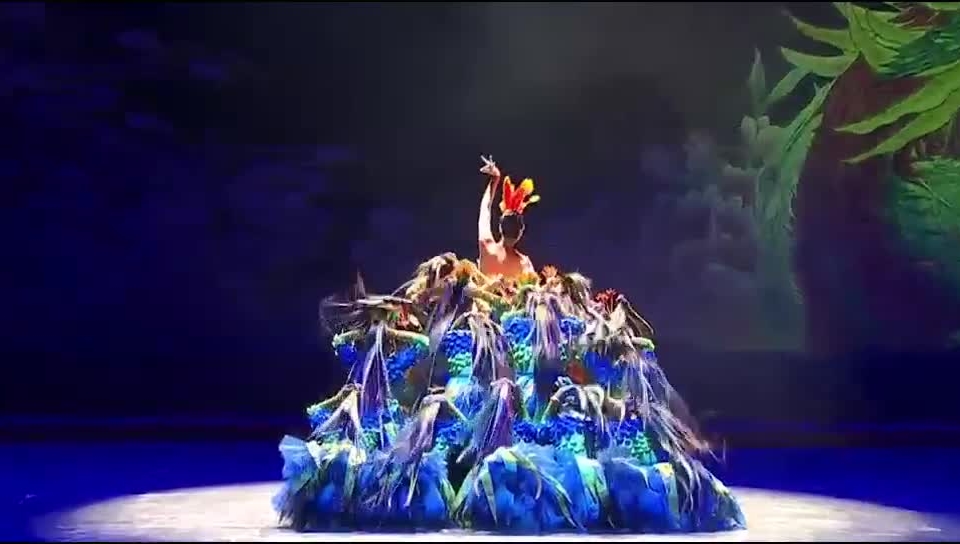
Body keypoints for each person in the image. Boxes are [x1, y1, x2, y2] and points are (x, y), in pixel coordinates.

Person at [476, 156, 538, 280]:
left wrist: (495, 178)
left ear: (500, 226)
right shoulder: (524, 265)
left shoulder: (486, 247)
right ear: (521, 232)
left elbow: (485, 208)